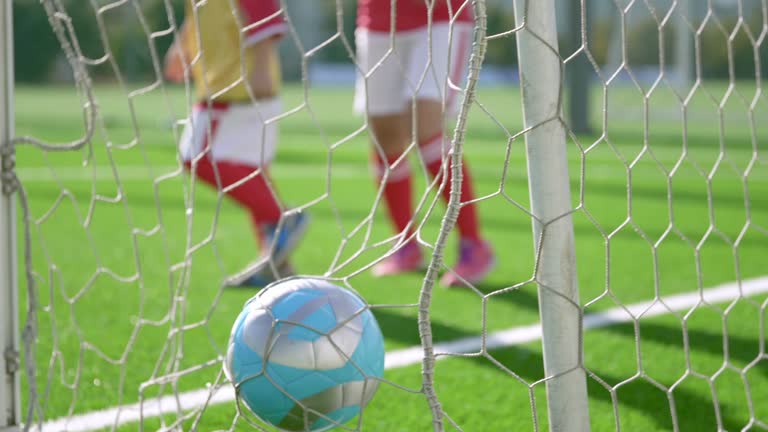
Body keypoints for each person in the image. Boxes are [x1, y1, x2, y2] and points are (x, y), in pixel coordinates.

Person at [163, 0, 308, 287]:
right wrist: (182, 43)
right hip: (224, 85)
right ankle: (278, 265)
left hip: (239, 87)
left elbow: (264, 9)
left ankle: (282, 221)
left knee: (197, 158)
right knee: (254, 174)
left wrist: (263, 65)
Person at [354, 0, 495, 287]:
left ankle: (473, 245)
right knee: (385, 137)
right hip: (378, 19)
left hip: (440, 17)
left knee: (426, 127)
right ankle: (405, 243)